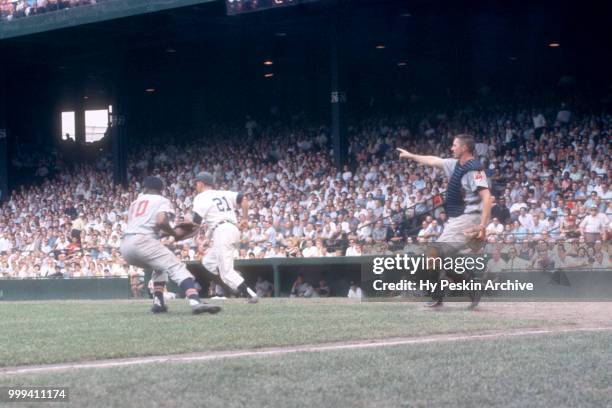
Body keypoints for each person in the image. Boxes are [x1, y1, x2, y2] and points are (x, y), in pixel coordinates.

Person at [398, 134, 492, 309]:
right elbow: (433, 160)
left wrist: (482, 227)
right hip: (456, 219)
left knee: (433, 253)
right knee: (441, 258)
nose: (451, 148)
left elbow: (487, 198)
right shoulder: (455, 164)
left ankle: (437, 296)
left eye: (454, 145)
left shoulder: (475, 170)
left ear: (464, 148)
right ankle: (471, 288)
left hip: (469, 218)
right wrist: (411, 155)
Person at [120, 176, 220, 315]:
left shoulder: (134, 203)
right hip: (143, 241)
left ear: (145, 188)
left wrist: (165, 234)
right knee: (177, 267)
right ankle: (195, 302)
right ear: (161, 189)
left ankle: (159, 302)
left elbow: (144, 225)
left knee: (160, 267)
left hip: (125, 246)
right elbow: (161, 221)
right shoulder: (161, 200)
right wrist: (173, 232)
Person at [190, 172, 258, 303]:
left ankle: (249, 293)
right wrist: (244, 218)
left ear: (201, 183)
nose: (195, 185)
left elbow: (196, 222)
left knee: (226, 272)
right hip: (231, 229)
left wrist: (187, 234)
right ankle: (233, 282)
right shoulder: (223, 193)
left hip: (223, 231)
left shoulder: (201, 197)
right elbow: (243, 199)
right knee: (208, 262)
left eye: (196, 183)